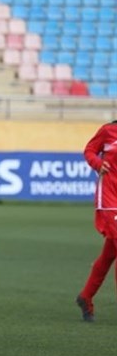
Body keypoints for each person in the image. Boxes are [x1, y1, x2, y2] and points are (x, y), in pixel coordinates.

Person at [76, 120, 117, 322]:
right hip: (109, 199)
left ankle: (85, 297)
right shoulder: (108, 131)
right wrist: (99, 164)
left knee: (109, 254)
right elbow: (89, 150)